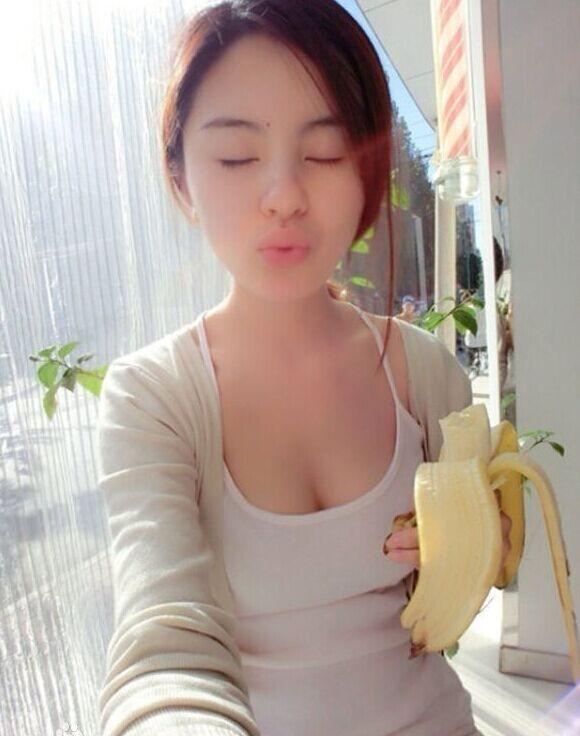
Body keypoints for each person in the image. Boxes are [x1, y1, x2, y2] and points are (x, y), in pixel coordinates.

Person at [97, 3, 511, 734]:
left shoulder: (423, 373)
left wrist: (479, 549)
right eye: (236, 156)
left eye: (324, 154)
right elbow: (163, 646)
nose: (285, 196)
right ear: (182, 180)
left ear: (367, 174)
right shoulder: (154, 397)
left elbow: (466, 584)